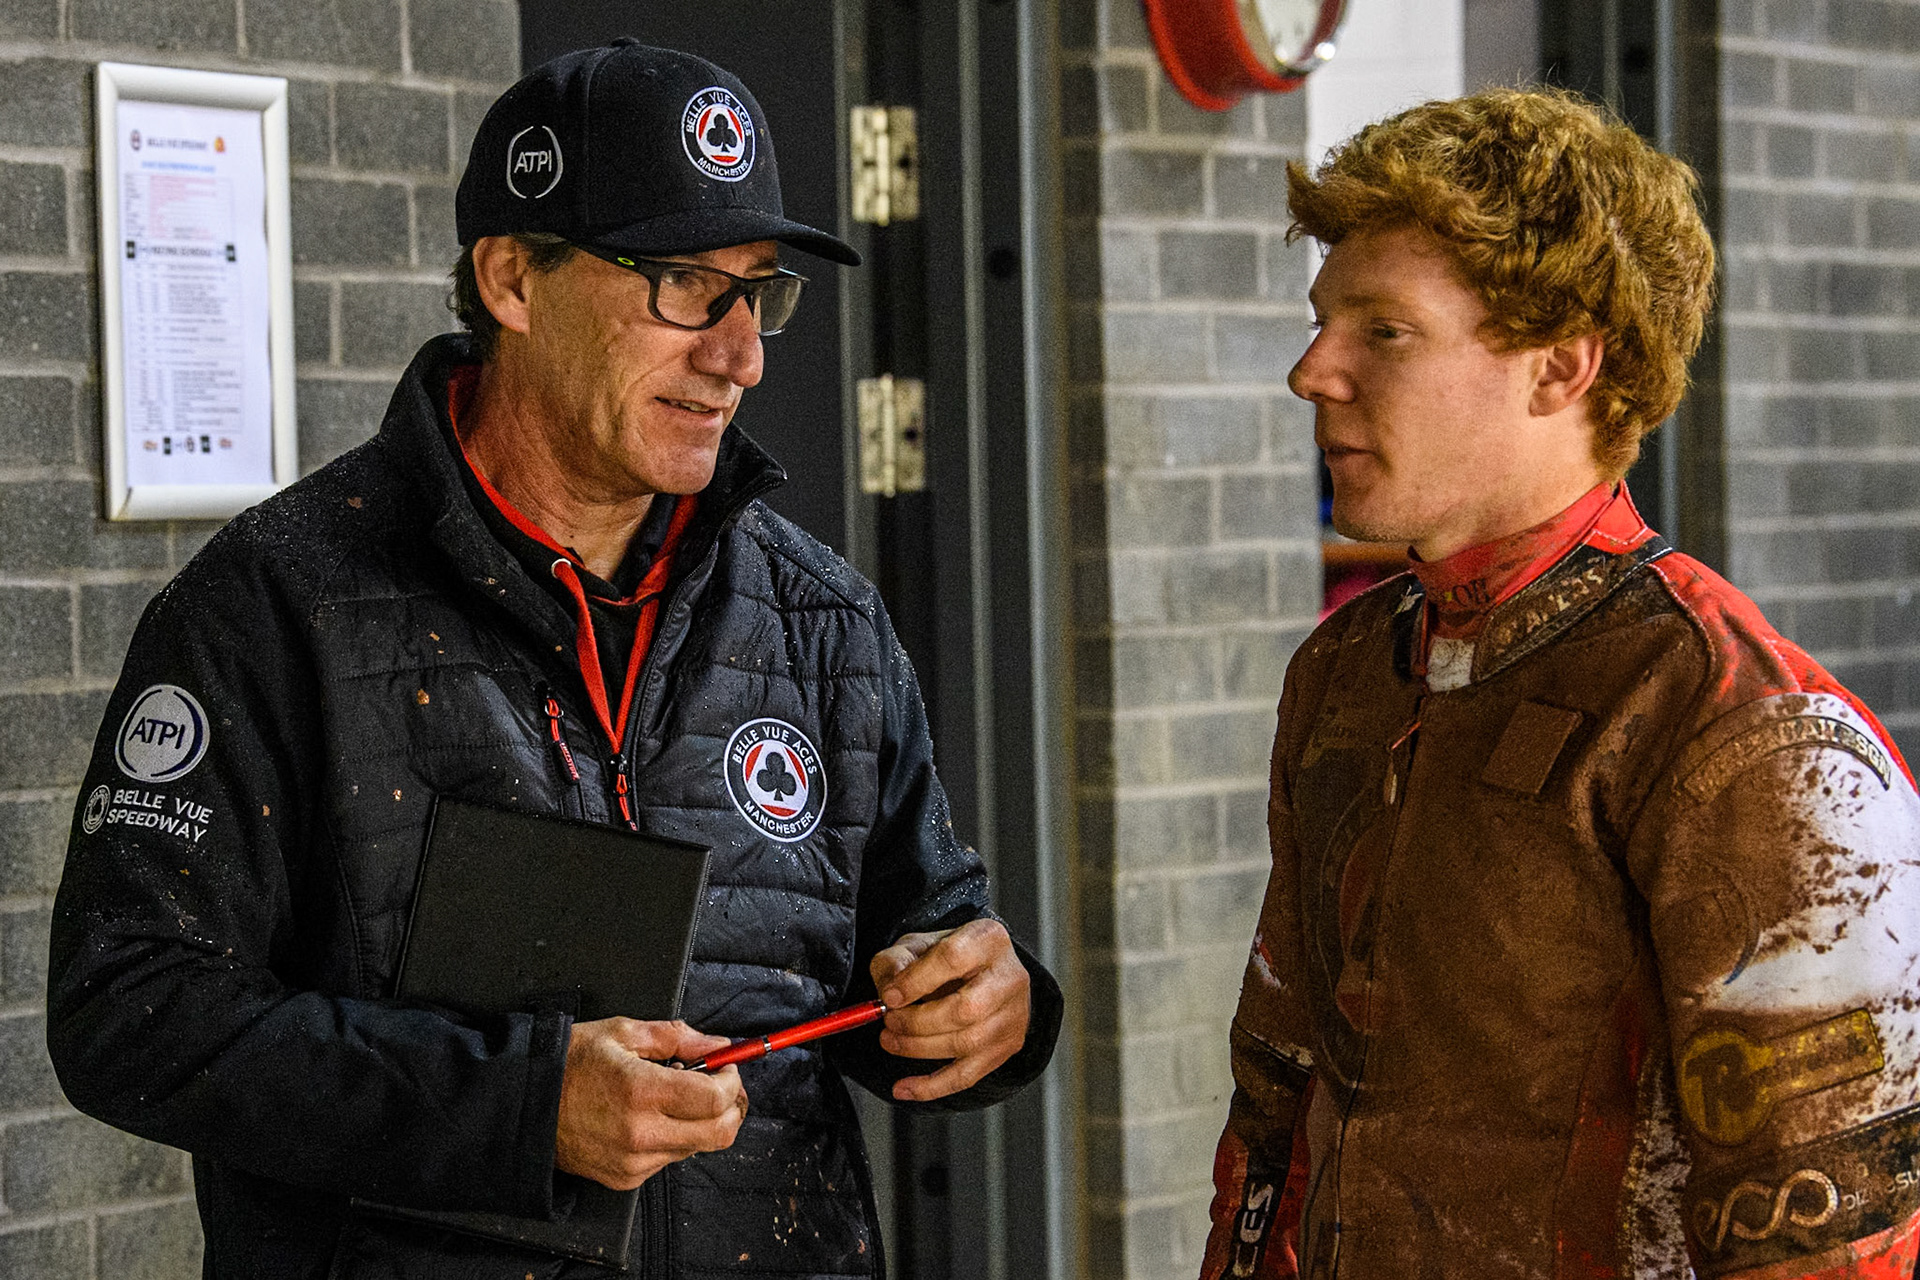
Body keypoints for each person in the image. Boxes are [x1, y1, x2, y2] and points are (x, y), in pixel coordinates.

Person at [48, 40, 1060, 1280]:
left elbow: (923, 936)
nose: (740, 354)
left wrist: (990, 1007)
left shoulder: (824, 622)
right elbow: (130, 1007)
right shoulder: (271, 605)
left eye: (760, 293)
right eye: (686, 285)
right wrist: (518, 1105)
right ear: (513, 278)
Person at [1200, 88, 1920, 1280]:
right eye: (1323, 323)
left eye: (1384, 330)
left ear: (1562, 367)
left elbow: (1841, 1244)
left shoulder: (1742, 727)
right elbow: (1274, 1113)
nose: (1311, 371)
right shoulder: (1345, 668)